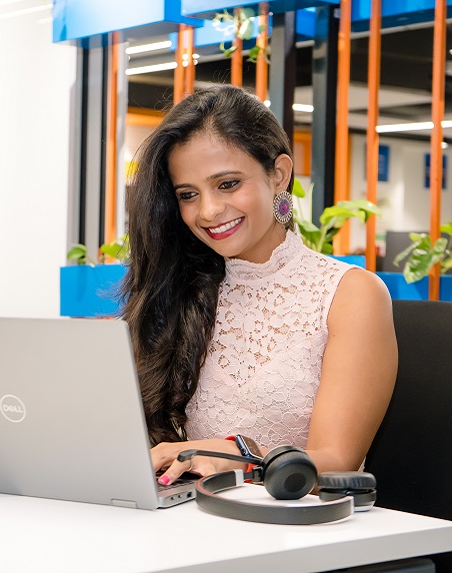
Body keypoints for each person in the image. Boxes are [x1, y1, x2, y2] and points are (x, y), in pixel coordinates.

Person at [120, 85, 398, 487]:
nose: (209, 211)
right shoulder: (180, 290)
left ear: (279, 174)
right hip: (190, 517)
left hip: (299, 526)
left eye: (228, 183)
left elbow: (337, 461)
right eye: (188, 194)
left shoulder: (350, 295)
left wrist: (243, 456)